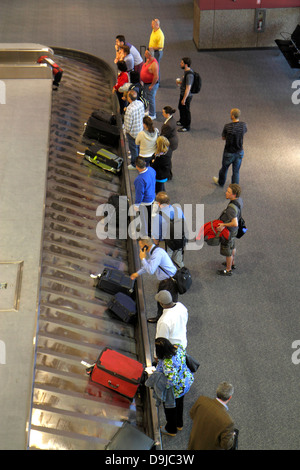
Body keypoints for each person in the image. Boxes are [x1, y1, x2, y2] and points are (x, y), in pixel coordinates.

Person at [130, 237, 177, 323]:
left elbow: (151, 270)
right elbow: (148, 265)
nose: (140, 248)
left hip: (168, 282)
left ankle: (162, 319)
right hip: (168, 280)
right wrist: (137, 273)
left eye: (141, 246)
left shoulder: (157, 254)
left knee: (163, 300)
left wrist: (142, 258)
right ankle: (163, 318)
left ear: (146, 246)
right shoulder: (155, 251)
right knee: (168, 301)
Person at [154, 337, 194, 436]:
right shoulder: (178, 347)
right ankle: (179, 424)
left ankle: (171, 429)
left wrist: (163, 387)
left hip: (176, 390)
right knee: (180, 404)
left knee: (170, 409)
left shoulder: (167, 363)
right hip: (186, 382)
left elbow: (172, 380)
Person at [188, 382, 236, 450]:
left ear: (217, 391)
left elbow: (192, 414)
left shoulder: (201, 400)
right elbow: (226, 445)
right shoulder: (228, 422)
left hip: (194, 443)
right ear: (230, 397)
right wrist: (232, 436)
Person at [213, 108, 247, 187]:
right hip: (239, 152)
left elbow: (223, 138)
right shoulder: (243, 125)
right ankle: (234, 190)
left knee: (224, 169)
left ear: (232, 116)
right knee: (236, 171)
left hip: (229, 152)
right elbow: (244, 131)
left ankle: (221, 182)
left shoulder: (227, 126)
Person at [151, 191, 186, 268]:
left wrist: (157, 244)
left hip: (166, 243)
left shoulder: (158, 217)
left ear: (159, 203)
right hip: (180, 239)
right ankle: (183, 274)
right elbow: (184, 223)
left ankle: (169, 277)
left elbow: (156, 237)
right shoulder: (178, 210)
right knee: (178, 260)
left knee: (165, 263)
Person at [216, 183, 243, 276]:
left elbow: (234, 222)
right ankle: (232, 263)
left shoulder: (231, 209)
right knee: (232, 246)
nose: (226, 193)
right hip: (234, 231)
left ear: (234, 195)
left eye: (228, 192)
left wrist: (223, 224)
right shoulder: (239, 200)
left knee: (228, 251)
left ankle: (228, 270)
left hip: (229, 231)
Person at [133, 158, 156, 236]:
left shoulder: (139, 179)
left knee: (144, 219)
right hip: (152, 197)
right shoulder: (151, 170)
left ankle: (144, 234)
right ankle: (150, 231)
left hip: (145, 202)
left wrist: (137, 205)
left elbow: (139, 193)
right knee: (149, 217)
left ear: (137, 166)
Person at [124, 90, 144, 169]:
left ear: (129, 98)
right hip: (140, 129)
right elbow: (142, 114)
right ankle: (137, 157)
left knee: (133, 148)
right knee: (138, 146)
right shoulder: (140, 103)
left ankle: (134, 164)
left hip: (133, 133)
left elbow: (128, 126)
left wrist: (126, 131)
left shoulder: (129, 109)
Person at [160, 106, 178, 180]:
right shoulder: (171, 120)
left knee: (167, 159)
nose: (162, 113)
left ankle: (168, 174)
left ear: (167, 114)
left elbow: (164, 136)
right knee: (168, 159)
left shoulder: (168, 125)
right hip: (173, 141)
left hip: (170, 143)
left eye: (163, 112)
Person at [177, 57, 194, 132]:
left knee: (186, 111)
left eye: (182, 63)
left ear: (186, 65)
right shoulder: (186, 72)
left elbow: (188, 88)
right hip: (183, 94)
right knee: (180, 107)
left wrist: (184, 99)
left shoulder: (189, 75)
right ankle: (182, 121)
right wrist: (181, 83)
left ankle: (186, 126)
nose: (180, 64)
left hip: (186, 96)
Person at [140, 49, 159, 120]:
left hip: (151, 84)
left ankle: (152, 114)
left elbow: (156, 77)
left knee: (151, 99)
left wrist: (152, 85)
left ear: (149, 55)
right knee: (148, 97)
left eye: (146, 53)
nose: (144, 55)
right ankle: (150, 111)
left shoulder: (154, 64)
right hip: (146, 83)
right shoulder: (148, 60)